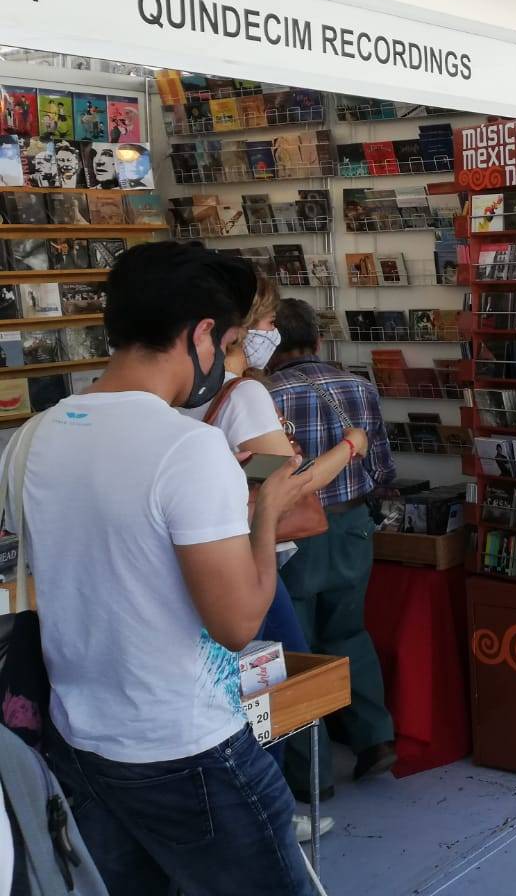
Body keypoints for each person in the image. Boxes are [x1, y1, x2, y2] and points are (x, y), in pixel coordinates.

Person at [20, 242, 322, 895]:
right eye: (230, 341)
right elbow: (239, 622)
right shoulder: (186, 448)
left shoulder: (34, 437)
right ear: (203, 335)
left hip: (79, 739)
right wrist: (264, 510)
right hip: (187, 744)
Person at [179, 271, 363, 842]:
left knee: (229, 684)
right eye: (263, 324)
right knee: (278, 687)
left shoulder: (177, 396)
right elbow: (289, 485)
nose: (269, 334)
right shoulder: (246, 393)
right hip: (248, 557)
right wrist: (349, 447)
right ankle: (277, 810)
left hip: (193, 560)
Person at [267, 298, 399, 799]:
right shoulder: (359, 387)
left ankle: (312, 773)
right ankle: (375, 737)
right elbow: (382, 467)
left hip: (292, 536)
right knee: (348, 633)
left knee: (293, 652)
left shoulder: (265, 396)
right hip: (352, 528)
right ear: (319, 340)